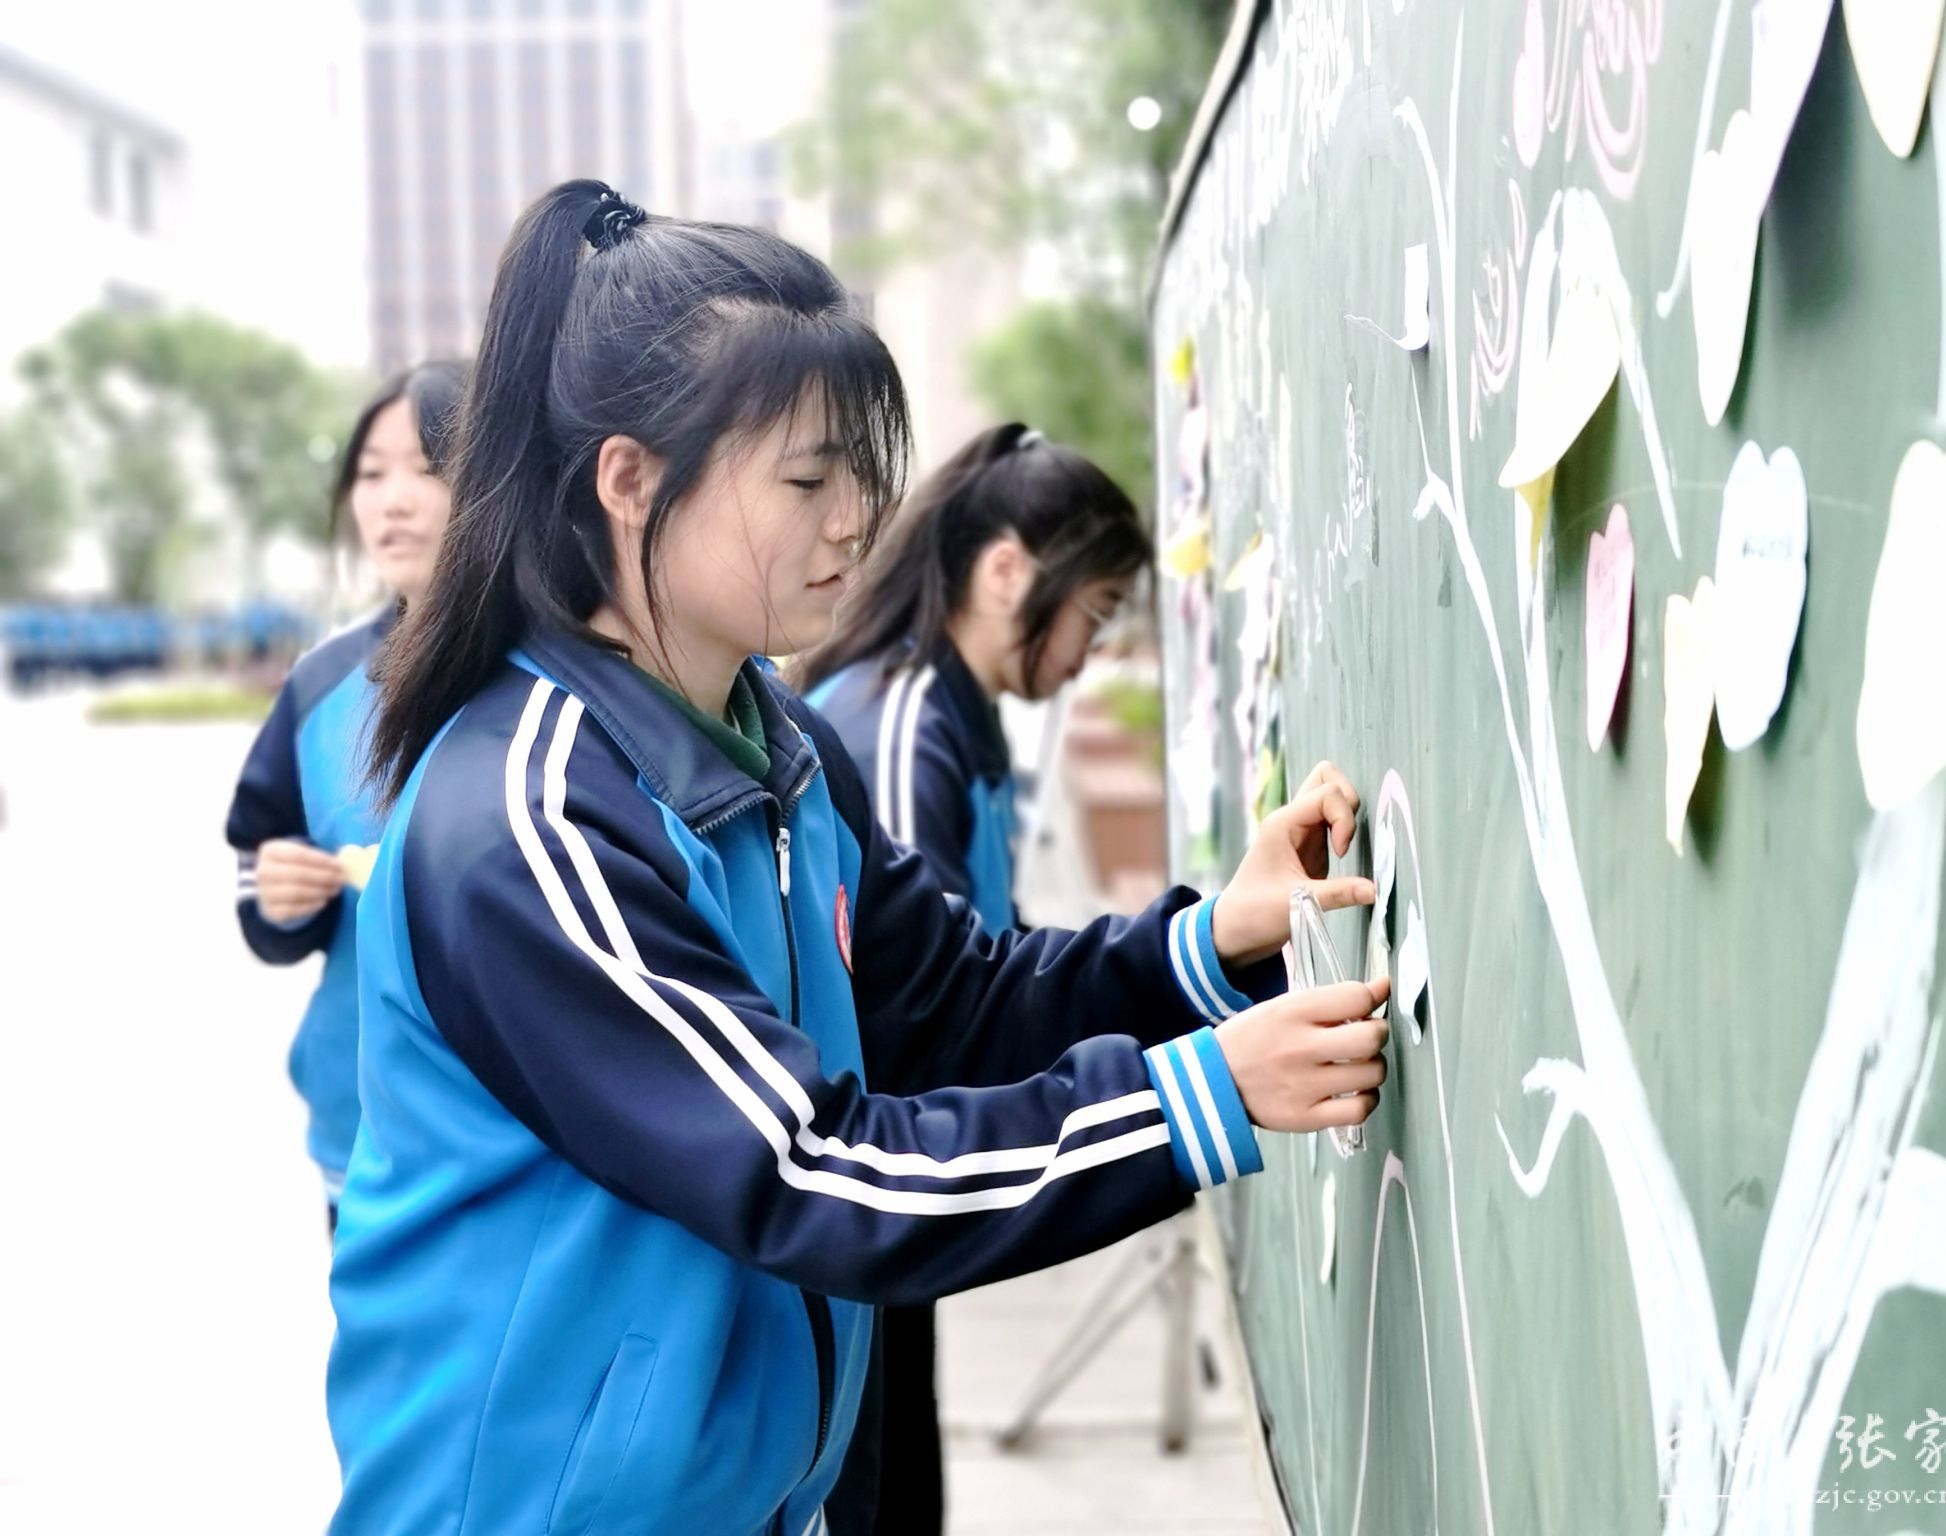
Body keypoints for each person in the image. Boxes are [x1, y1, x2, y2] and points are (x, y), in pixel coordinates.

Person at [332, 180, 1388, 1536]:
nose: (857, 522)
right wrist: (1198, 1098)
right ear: (629, 480)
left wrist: (1212, 939)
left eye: (861, 475)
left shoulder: (775, 748)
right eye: (807, 479)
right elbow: (806, 1170)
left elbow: (952, 1003)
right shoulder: (530, 821)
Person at [798, 422, 1149, 1533]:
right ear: (1007, 572)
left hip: (900, 1206)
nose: (1088, 651)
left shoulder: (954, 715)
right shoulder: (901, 727)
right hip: (880, 1200)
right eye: (1092, 612)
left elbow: (990, 952)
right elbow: (929, 1014)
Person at [223, 361, 465, 1231]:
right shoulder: (322, 684)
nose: (392, 500)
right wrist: (279, 900)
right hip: (364, 1142)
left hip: (529, 1151)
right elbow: (260, 864)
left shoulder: (564, 677)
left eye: (428, 467)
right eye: (370, 474)